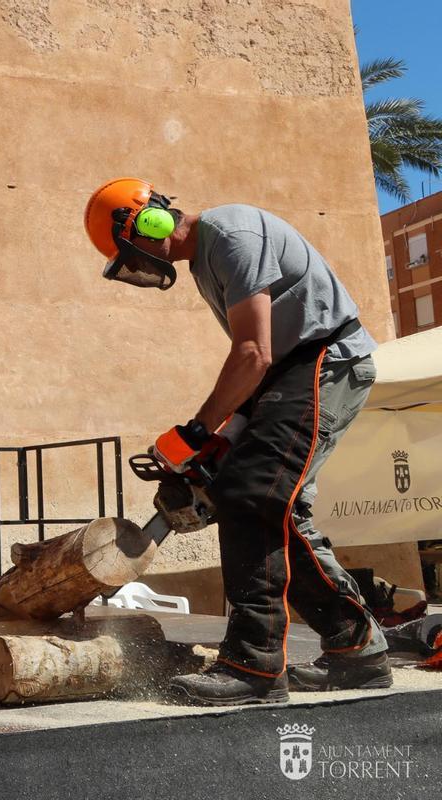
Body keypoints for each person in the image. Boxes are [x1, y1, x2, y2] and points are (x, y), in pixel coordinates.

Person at [85, 177, 390, 706]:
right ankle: (356, 649)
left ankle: (254, 665)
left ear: (150, 223)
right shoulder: (207, 261)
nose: (138, 263)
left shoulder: (231, 234)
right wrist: (219, 442)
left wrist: (197, 430)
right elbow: (258, 365)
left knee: (252, 493)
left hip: (325, 358)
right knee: (267, 503)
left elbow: (254, 353)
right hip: (290, 372)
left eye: (132, 250)